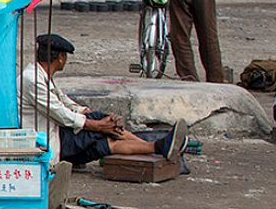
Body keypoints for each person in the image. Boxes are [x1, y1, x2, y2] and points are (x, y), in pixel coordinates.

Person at [23, 34, 188, 168]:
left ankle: (158, 146)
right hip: (49, 139)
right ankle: (157, 146)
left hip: (58, 132)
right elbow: (61, 114)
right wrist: (99, 125)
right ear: (60, 57)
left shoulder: (42, 76)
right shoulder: (33, 79)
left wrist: (91, 114)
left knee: (102, 127)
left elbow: (66, 103)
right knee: (103, 134)